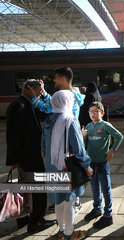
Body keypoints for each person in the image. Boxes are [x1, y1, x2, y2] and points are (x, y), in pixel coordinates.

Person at [23, 67, 85, 211]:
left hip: (63, 140)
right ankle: (70, 200)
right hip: (67, 138)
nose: (54, 80)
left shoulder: (66, 96)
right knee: (68, 170)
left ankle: (69, 202)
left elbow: (47, 108)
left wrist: (33, 97)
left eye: (56, 78)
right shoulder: (72, 94)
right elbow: (54, 103)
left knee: (64, 171)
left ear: (63, 78)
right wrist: (44, 92)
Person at [6, 79, 56, 232]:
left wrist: (42, 95)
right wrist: (14, 160)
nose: (40, 94)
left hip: (30, 155)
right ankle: (36, 221)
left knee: (26, 188)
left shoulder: (27, 103)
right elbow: (13, 135)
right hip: (27, 156)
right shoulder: (19, 106)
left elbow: (48, 110)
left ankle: (24, 219)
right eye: (38, 91)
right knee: (39, 189)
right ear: (29, 88)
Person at [42, 90, 92, 240]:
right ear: (67, 102)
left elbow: (44, 147)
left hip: (51, 166)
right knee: (69, 202)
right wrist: (86, 165)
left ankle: (61, 231)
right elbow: (78, 148)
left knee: (58, 201)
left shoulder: (48, 121)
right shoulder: (70, 120)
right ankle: (70, 234)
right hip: (66, 167)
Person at [82, 101, 123, 229]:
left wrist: (112, 151)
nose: (93, 114)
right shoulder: (88, 126)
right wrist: (83, 136)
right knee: (94, 187)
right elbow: (85, 144)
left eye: (96, 111)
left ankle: (108, 215)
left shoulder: (105, 125)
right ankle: (97, 209)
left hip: (102, 163)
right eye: (91, 112)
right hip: (91, 163)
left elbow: (119, 136)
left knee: (105, 188)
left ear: (102, 113)